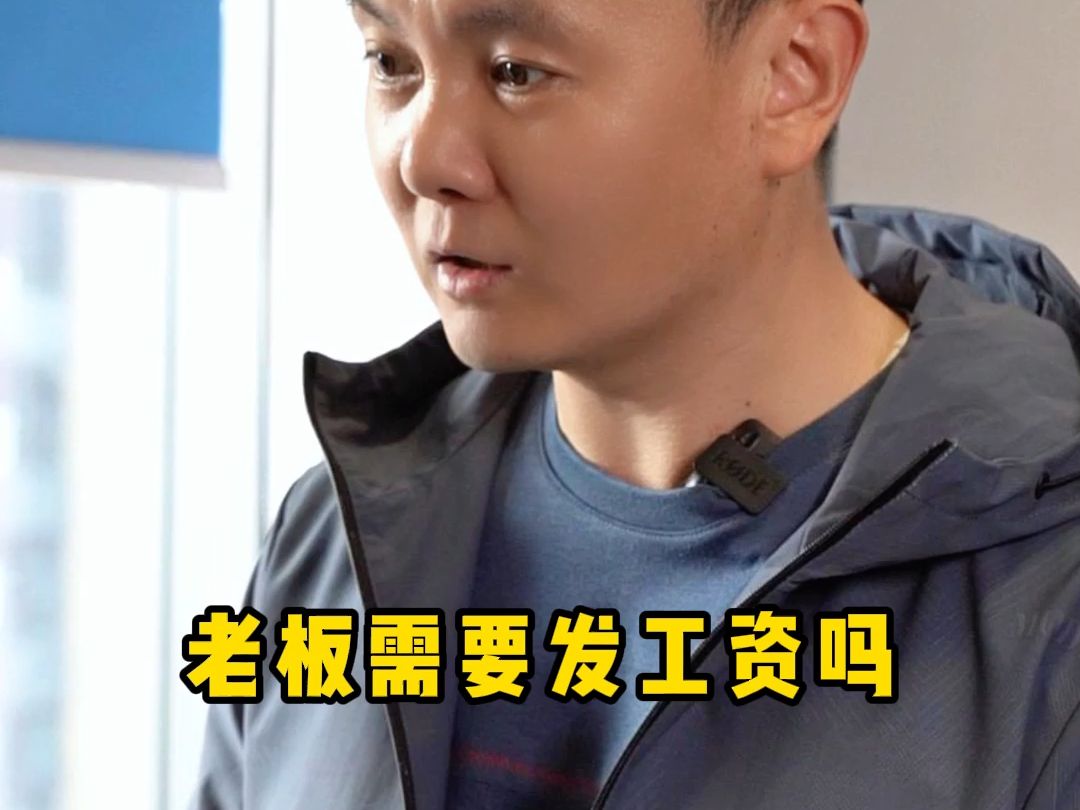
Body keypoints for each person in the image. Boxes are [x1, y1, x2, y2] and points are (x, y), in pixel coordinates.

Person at [189, 0, 1080, 807]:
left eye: (515, 71)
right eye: (391, 62)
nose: (423, 159)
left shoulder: (1047, 608)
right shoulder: (335, 539)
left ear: (793, 75)